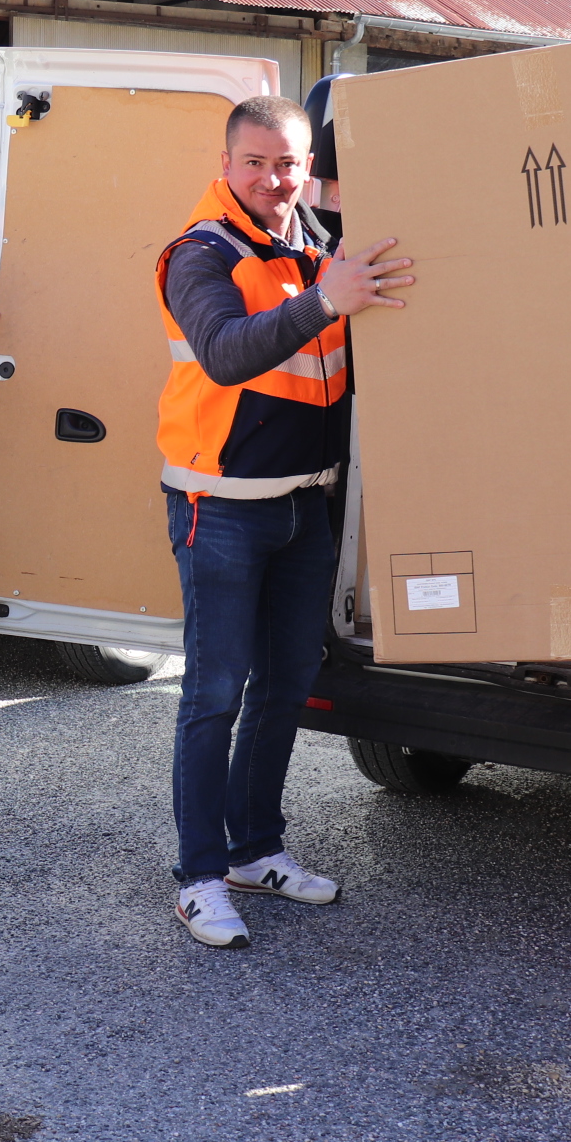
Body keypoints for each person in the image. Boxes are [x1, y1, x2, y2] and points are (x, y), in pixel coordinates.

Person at [156, 95, 413, 950]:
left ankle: (254, 850)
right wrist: (327, 303)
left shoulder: (312, 243)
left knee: (283, 688)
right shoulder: (198, 253)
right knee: (213, 694)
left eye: (290, 164)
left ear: (311, 169)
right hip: (218, 508)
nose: (274, 179)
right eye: (257, 163)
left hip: (306, 502)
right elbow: (228, 353)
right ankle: (198, 878)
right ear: (227, 164)